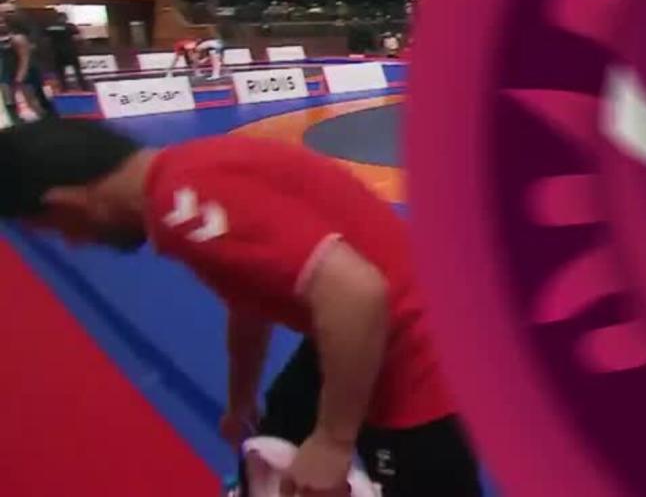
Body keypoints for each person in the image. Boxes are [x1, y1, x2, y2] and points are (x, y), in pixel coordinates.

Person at [0, 120, 481, 496]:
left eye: (59, 231)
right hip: (392, 320)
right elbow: (250, 294)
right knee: (281, 425)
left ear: (64, 203)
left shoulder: (184, 205)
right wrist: (241, 397)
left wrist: (334, 441)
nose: (74, 243)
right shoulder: (188, 172)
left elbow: (358, 294)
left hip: (411, 354)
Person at [0, 13, 57, 122]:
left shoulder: (18, 38)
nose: (1, 25)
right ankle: (16, 123)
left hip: (25, 73)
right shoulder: (4, 39)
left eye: (2, 23)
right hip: (7, 74)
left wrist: (20, 77)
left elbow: (24, 59)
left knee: (32, 100)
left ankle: (47, 121)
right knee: (9, 101)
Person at [43, 11, 89, 92]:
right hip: (70, 52)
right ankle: (84, 87)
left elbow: (45, 38)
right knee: (77, 71)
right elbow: (78, 37)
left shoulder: (51, 27)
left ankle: (63, 88)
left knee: (61, 73)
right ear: (65, 18)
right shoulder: (70, 27)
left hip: (58, 52)